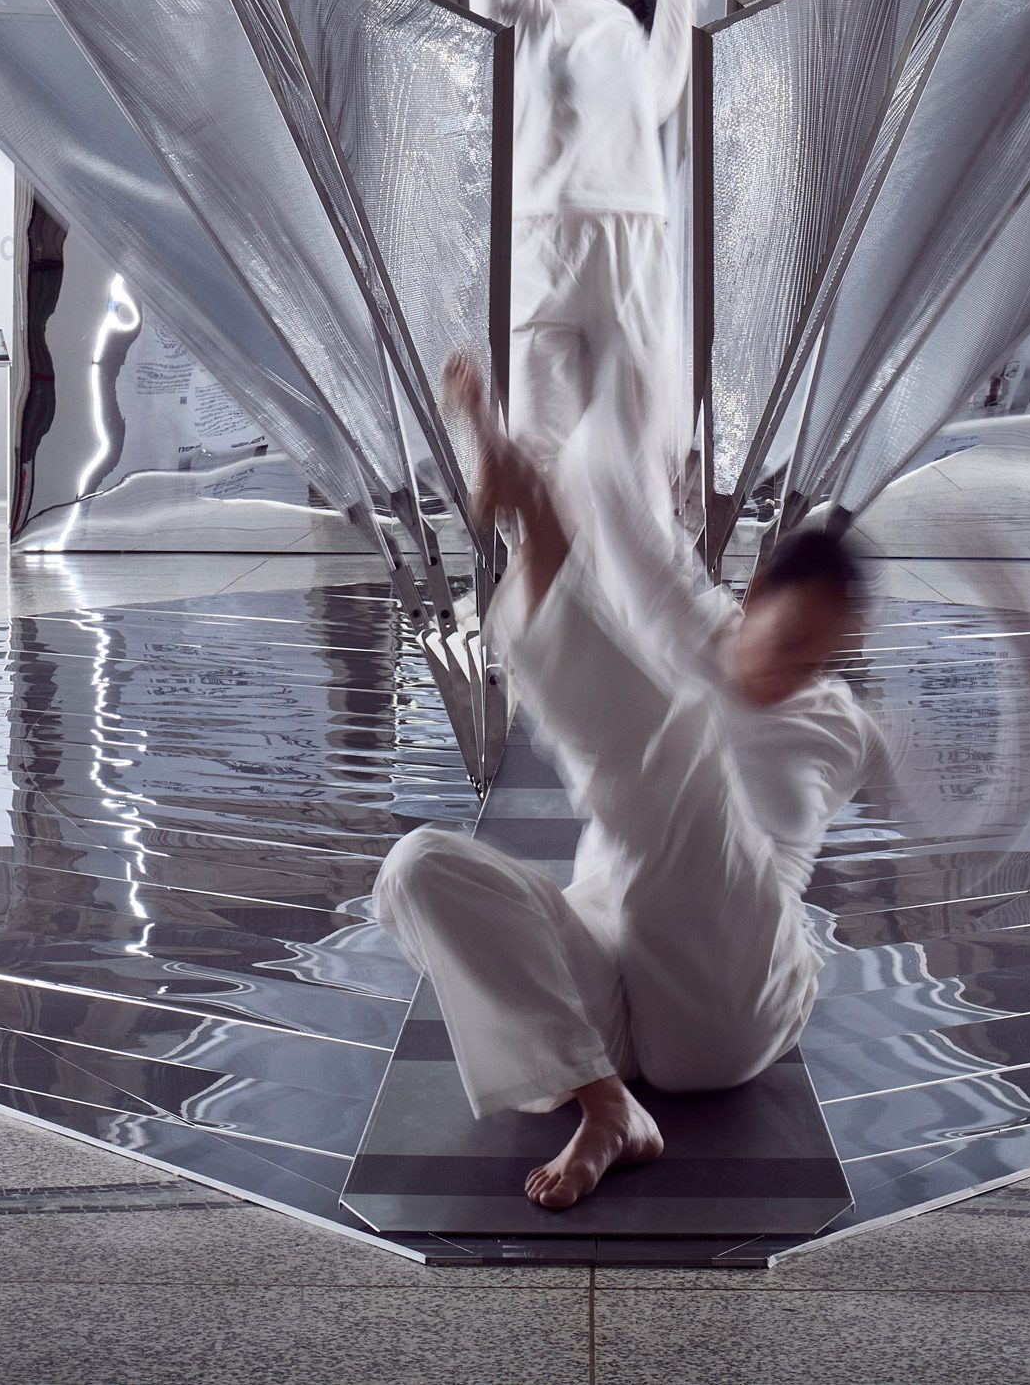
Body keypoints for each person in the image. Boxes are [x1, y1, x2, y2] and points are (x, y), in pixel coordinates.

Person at [372, 359, 883, 1211]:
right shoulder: (689, 617)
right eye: (792, 641)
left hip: (733, 989)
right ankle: (605, 1105)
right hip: (611, 965)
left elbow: (967, 796)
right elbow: (616, 512)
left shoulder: (846, 727)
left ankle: (527, 502)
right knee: (415, 868)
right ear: (756, 594)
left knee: (682, 751)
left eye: (822, 658)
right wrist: (616, 383)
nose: (800, 673)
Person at [450, 0, 701, 471]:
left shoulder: (620, 23)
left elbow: (657, 100)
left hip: (636, 239)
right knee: (539, 450)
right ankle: (534, 550)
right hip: (545, 241)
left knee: (644, 453)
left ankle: (635, 555)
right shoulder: (513, 4)